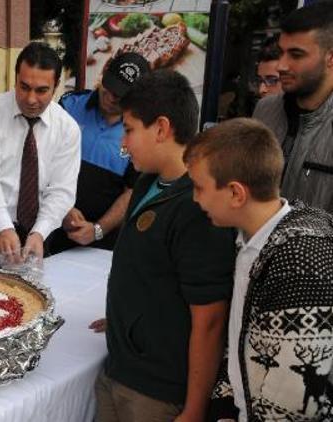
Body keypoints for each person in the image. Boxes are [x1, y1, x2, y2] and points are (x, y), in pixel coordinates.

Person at [94, 69, 235, 422]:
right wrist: (125, 315)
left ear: (161, 127)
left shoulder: (199, 205)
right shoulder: (146, 183)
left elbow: (211, 318)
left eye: (128, 129)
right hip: (119, 369)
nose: (123, 144)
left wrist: (194, 408)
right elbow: (150, 272)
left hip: (156, 392)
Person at [185, 118, 333, 421]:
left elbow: (293, 404)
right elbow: (241, 339)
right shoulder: (251, 238)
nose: (194, 198)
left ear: (237, 194)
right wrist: (226, 406)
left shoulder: (299, 264)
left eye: (199, 187)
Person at [0, 42, 80, 266]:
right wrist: (2, 227)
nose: (30, 99)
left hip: (40, 231)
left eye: (41, 91)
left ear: (56, 86)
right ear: (16, 78)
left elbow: (62, 190)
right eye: (24, 87)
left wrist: (40, 232)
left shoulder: (68, 128)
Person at [50, 52, 149, 252]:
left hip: (104, 242)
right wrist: (62, 207)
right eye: (110, 88)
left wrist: (98, 229)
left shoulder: (141, 130)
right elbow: (45, 161)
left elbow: (132, 190)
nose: (112, 97)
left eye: (121, 96)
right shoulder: (69, 105)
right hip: (52, 226)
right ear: (104, 75)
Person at [253, 0, 333, 212]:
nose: (281, 65)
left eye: (296, 55)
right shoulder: (265, 110)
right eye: (281, 52)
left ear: (330, 57)